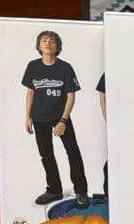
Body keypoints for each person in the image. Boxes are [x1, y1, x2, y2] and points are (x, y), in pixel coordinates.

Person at [21, 30, 89, 207]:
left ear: (57, 46)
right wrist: (27, 117)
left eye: (52, 41)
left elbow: (71, 96)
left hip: (60, 117)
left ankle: (81, 190)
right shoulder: (33, 66)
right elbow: (30, 92)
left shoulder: (65, 68)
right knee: (46, 154)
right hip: (39, 117)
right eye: (44, 40)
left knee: (72, 152)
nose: (48, 43)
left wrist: (63, 121)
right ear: (39, 45)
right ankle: (54, 190)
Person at [96, 72, 107, 199]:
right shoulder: (108, 72)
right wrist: (107, 119)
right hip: (116, 126)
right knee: (113, 160)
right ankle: (108, 196)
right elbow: (102, 96)